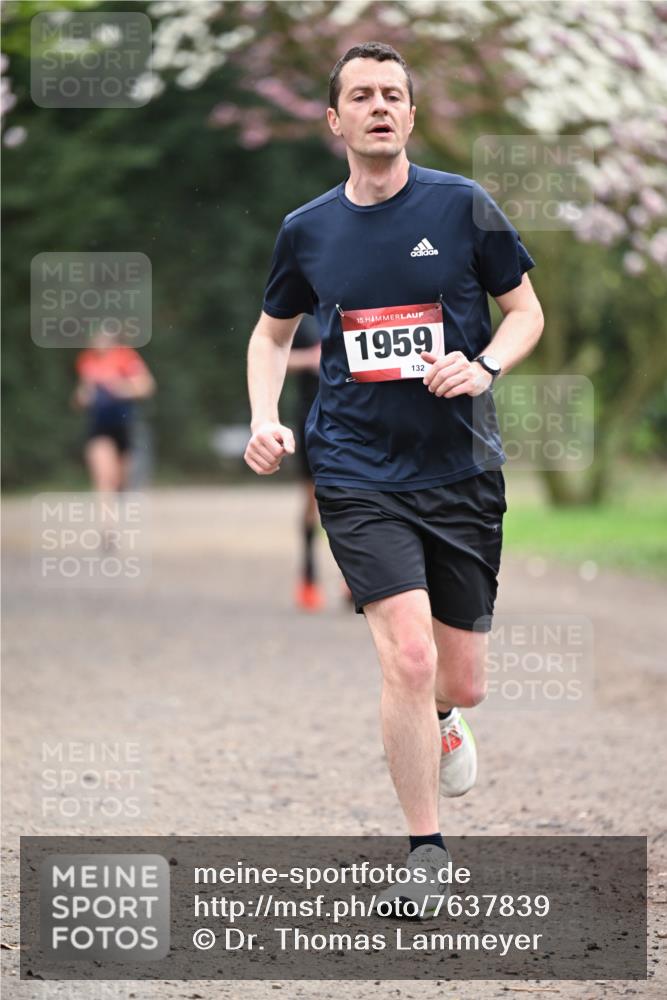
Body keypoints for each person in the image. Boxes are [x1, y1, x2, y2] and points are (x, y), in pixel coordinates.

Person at [244, 42, 544, 915]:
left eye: (392, 95)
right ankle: (426, 852)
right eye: (360, 96)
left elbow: (524, 313)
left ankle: (447, 720)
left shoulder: (462, 207)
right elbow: (271, 334)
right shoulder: (306, 230)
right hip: (353, 464)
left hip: (457, 468)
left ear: (410, 116)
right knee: (406, 656)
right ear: (334, 121)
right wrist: (267, 417)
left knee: (459, 680)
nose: (378, 106)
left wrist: (483, 365)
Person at [73, 328, 155, 494]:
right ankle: (106, 517)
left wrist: (120, 388)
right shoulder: (87, 360)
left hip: (123, 422)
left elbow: (146, 387)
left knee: (120, 477)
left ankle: (121, 491)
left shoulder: (126, 357)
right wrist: (82, 398)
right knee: (103, 474)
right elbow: (82, 393)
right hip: (99, 424)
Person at [286, 314, 325, 611]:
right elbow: (275, 354)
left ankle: (354, 581)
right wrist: (311, 359)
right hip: (310, 418)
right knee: (312, 500)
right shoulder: (303, 321)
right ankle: (309, 576)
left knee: (358, 497)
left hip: (354, 418)